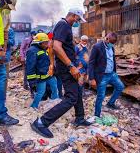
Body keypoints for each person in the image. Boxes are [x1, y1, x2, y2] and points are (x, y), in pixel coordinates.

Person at [31, 8, 91, 138]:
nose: (78, 22)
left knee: (78, 90)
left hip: (68, 66)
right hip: (67, 68)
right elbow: (56, 47)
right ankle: (41, 122)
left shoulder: (63, 26)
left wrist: (52, 65)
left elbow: (51, 46)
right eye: (78, 19)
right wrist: (70, 66)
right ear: (74, 16)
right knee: (71, 97)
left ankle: (80, 118)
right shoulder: (63, 25)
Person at [89, 32, 125, 118]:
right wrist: (91, 78)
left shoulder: (111, 47)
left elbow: (111, 59)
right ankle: (97, 115)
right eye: (111, 43)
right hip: (102, 75)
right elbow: (91, 63)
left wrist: (114, 71)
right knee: (101, 95)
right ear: (107, 39)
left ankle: (110, 103)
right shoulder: (97, 47)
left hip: (112, 74)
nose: (112, 45)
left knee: (120, 87)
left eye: (113, 43)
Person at [26, 33, 58, 109]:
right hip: (40, 77)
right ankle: (33, 106)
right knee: (40, 92)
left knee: (54, 87)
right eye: (45, 42)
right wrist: (32, 81)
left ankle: (55, 102)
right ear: (39, 42)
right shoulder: (32, 51)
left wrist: (53, 70)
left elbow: (46, 61)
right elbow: (30, 67)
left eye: (47, 42)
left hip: (48, 74)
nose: (47, 44)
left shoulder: (42, 48)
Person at [2, 0, 17, 92]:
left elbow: (12, 42)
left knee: (3, 77)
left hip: (5, 55)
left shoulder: (10, 30)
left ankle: (1, 96)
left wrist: (5, 41)